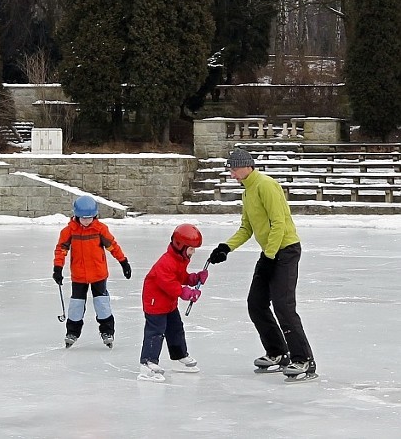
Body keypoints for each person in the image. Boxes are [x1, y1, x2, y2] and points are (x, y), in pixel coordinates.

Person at [209, 148, 317, 381]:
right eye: (230, 170)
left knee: (283, 306)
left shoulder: (266, 185)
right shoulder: (247, 191)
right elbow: (247, 228)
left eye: (234, 169)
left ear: (247, 166)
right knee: (255, 303)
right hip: (270, 252)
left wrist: (269, 257)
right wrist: (226, 247)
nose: (232, 174)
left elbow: (279, 223)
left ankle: (304, 360)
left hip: (285, 251)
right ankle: (278, 353)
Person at [52, 195, 131, 348]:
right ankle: (72, 332)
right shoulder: (69, 231)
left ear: (95, 216)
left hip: (98, 274)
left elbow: (112, 246)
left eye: (89, 218)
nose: (86, 221)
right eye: (83, 218)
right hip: (79, 275)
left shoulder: (100, 229)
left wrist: (123, 262)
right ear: (76, 216)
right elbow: (61, 249)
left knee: (102, 304)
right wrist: (58, 268)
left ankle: (107, 331)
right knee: (76, 305)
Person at [138, 224, 207, 382]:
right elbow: (170, 284)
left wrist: (194, 278)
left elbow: (180, 277)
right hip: (155, 303)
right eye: (191, 248)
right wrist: (187, 293)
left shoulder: (180, 259)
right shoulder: (166, 262)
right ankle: (147, 363)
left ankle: (179, 357)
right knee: (155, 333)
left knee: (176, 329)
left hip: (168, 304)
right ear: (180, 245)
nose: (193, 252)